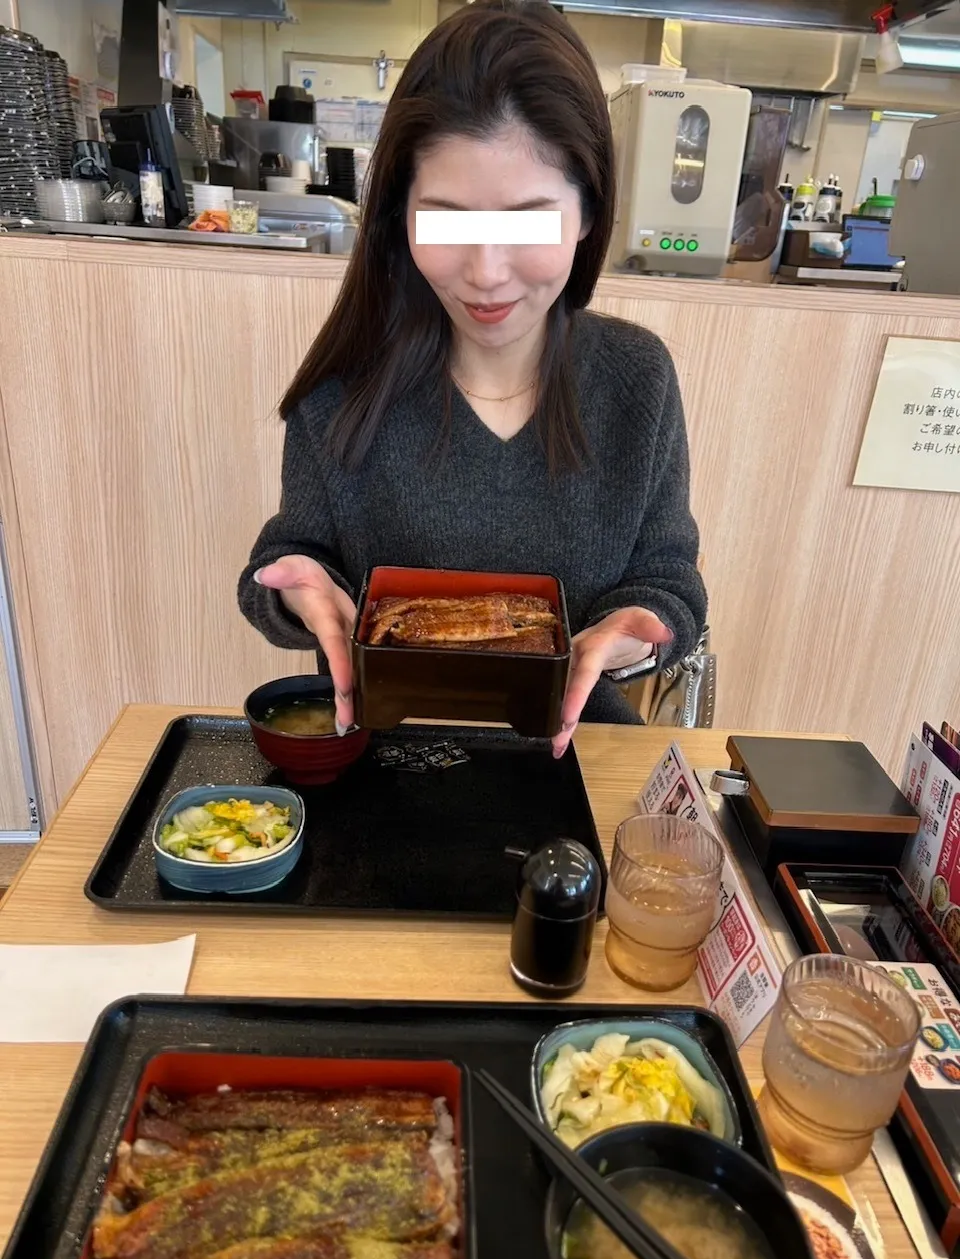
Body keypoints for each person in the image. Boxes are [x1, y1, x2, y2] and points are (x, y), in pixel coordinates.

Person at [238, 0, 706, 759]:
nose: (487, 273)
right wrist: (298, 589)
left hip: (574, 755)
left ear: (588, 213)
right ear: (400, 217)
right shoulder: (344, 388)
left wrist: (639, 629)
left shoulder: (635, 378)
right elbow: (294, 555)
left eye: (529, 220)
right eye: (447, 220)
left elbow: (667, 579)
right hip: (379, 757)